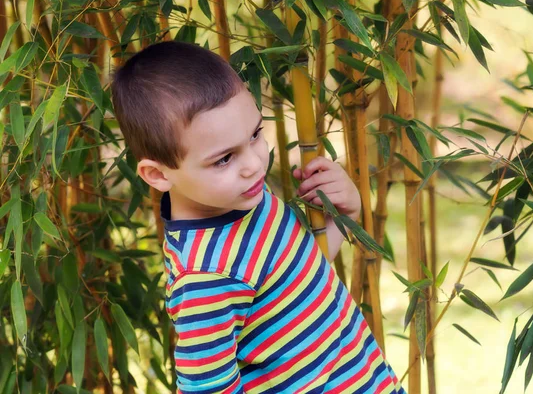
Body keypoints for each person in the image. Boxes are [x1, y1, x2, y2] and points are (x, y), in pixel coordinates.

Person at [111, 40, 405, 394]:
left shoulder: (241, 199)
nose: (253, 164)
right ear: (158, 175)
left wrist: (345, 213)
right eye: (224, 159)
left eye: (254, 135)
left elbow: (292, 285)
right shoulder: (207, 279)